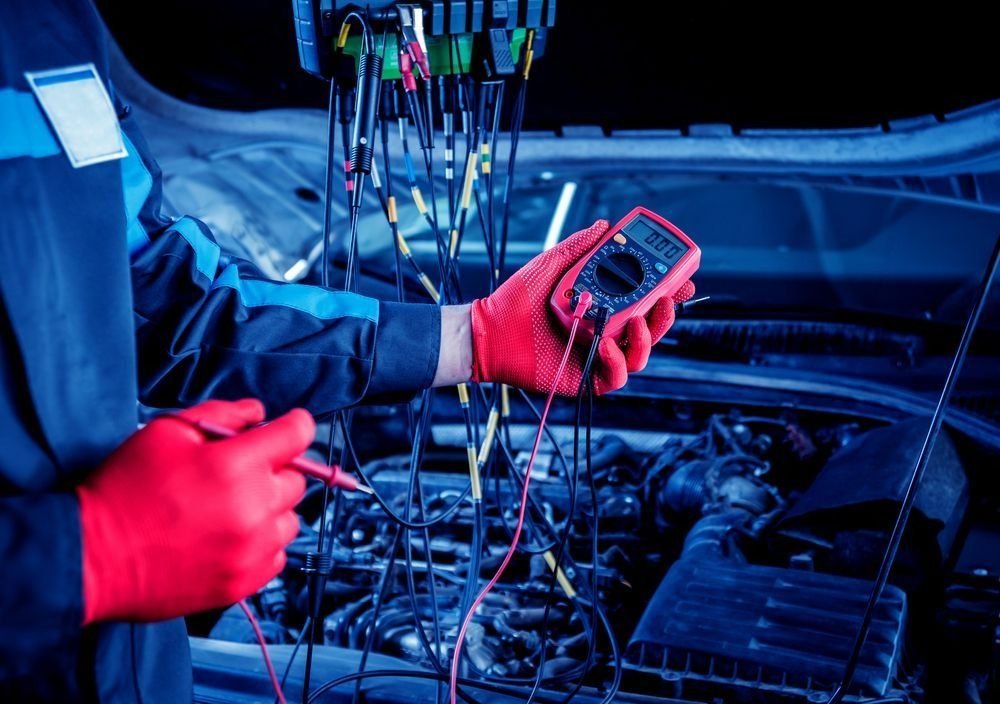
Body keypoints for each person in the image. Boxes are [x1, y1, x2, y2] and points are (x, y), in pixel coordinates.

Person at [0, 0, 693, 700]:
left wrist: (470, 337)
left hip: (133, 668)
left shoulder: (50, 25)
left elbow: (163, 295)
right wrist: (81, 557)